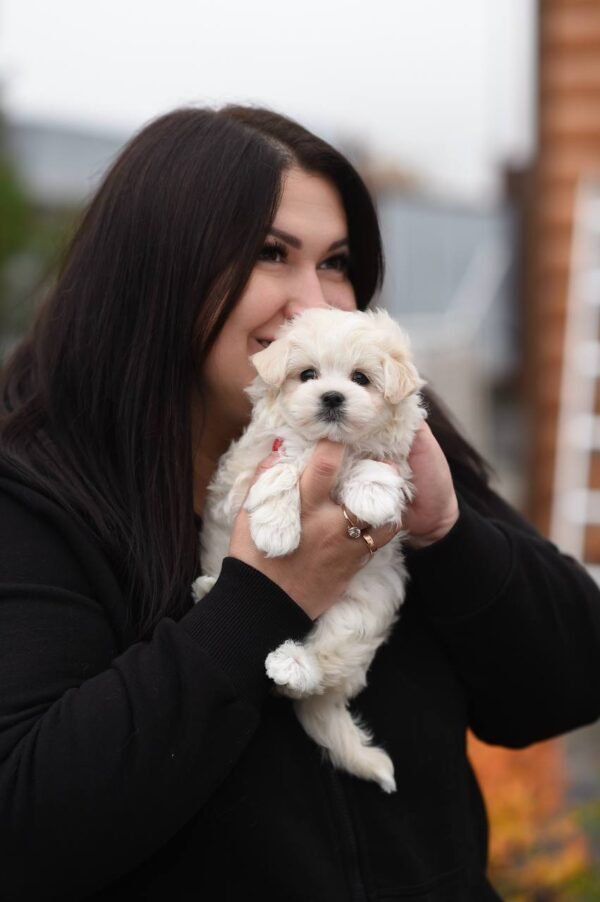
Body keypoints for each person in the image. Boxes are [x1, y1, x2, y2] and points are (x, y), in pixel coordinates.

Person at [0, 105, 598, 902]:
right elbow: (29, 832)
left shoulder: (392, 436)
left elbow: (568, 684)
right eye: (269, 254)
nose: (316, 303)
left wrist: (452, 538)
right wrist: (260, 603)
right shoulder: (38, 493)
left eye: (340, 262)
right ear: (156, 266)